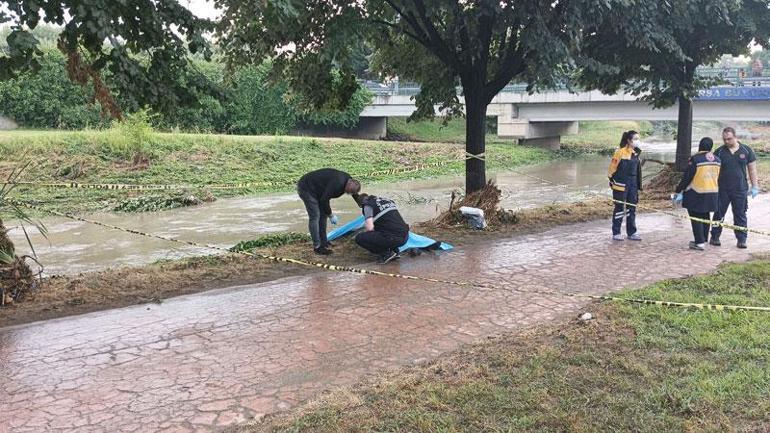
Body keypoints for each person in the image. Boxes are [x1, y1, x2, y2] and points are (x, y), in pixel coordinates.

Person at [710, 127, 760, 249]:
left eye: (729, 139)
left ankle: (742, 240)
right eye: (724, 139)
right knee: (719, 214)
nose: (726, 141)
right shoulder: (719, 152)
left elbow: (752, 170)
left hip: (740, 189)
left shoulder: (747, 151)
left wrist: (755, 186)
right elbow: (712, 171)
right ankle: (715, 237)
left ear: (735, 137)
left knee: (740, 214)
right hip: (722, 189)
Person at [297, 168, 360, 255]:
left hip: (319, 191)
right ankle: (317, 247)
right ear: (347, 186)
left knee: (323, 215)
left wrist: (363, 205)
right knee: (315, 216)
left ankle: (324, 241)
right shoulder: (337, 183)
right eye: (347, 192)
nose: (346, 193)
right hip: (306, 188)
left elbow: (355, 195)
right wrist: (331, 215)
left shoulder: (350, 180)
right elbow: (324, 200)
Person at [673, 138, 721, 251]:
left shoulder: (695, 159)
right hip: (712, 192)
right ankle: (704, 238)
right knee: (705, 215)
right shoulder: (718, 160)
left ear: (700, 146)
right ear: (711, 147)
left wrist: (679, 189)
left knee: (695, 216)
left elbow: (687, 177)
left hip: (696, 192)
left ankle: (699, 242)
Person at [353, 193, 409, 264]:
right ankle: (395, 251)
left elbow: (370, 228)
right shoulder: (385, 201)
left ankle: (386, 254)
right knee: (385, 228)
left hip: (394, 238)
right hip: (406, 236)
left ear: (361, 204)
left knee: (360, 238)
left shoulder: (367, 206)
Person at [608, 130, 643, 241]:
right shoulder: (620, 152)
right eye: (635, 139)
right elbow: (611, 170)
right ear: (629, 140)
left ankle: (632, 232)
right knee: (619, 208)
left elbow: (637, 171)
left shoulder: (636, 153)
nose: (637, 141)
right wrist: (613, 182)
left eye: (638, 139)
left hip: (632, 185)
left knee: (631, 208)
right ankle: (616, 232)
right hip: (620, 185)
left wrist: (638, 186)